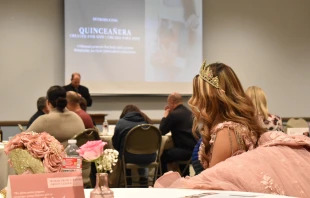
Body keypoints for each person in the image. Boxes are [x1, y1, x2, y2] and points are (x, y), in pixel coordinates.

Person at [154, 62, 310, 197]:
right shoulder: (235, 126)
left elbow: (214, 185)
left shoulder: (227, 131)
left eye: (199, 94)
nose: (194, 100)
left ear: (212, 98)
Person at [112, 104, 154, 187]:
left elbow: (116, 144)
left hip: (129, 157)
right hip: (150, 157)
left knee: (125, 153)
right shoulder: (147, 122)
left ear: (124, 114)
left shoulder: (121, 123)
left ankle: (128, 183)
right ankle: (144, 181)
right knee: (143, 152)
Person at [159, 93, 197, 175]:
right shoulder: (190, 113)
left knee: (162, 156)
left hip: (185, 151)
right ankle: (185, 176)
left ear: (172, 102)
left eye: (168, 103)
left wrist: (165, 116)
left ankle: (163, 181)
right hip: (195, 149)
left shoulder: (173, 115)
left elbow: (161, 131)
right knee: (176, 152)